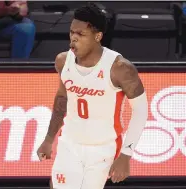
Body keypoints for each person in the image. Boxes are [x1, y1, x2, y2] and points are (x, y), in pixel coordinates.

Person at [37, 3, 148, 189]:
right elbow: (61, 101)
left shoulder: (120, 68)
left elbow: (141, 111)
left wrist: (126, 155)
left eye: (80, 34)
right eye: (71, 32)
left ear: (98, 37)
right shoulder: (63, 61)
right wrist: (49, 139)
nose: (73, 38)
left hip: (103, 148)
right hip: (69, 144)